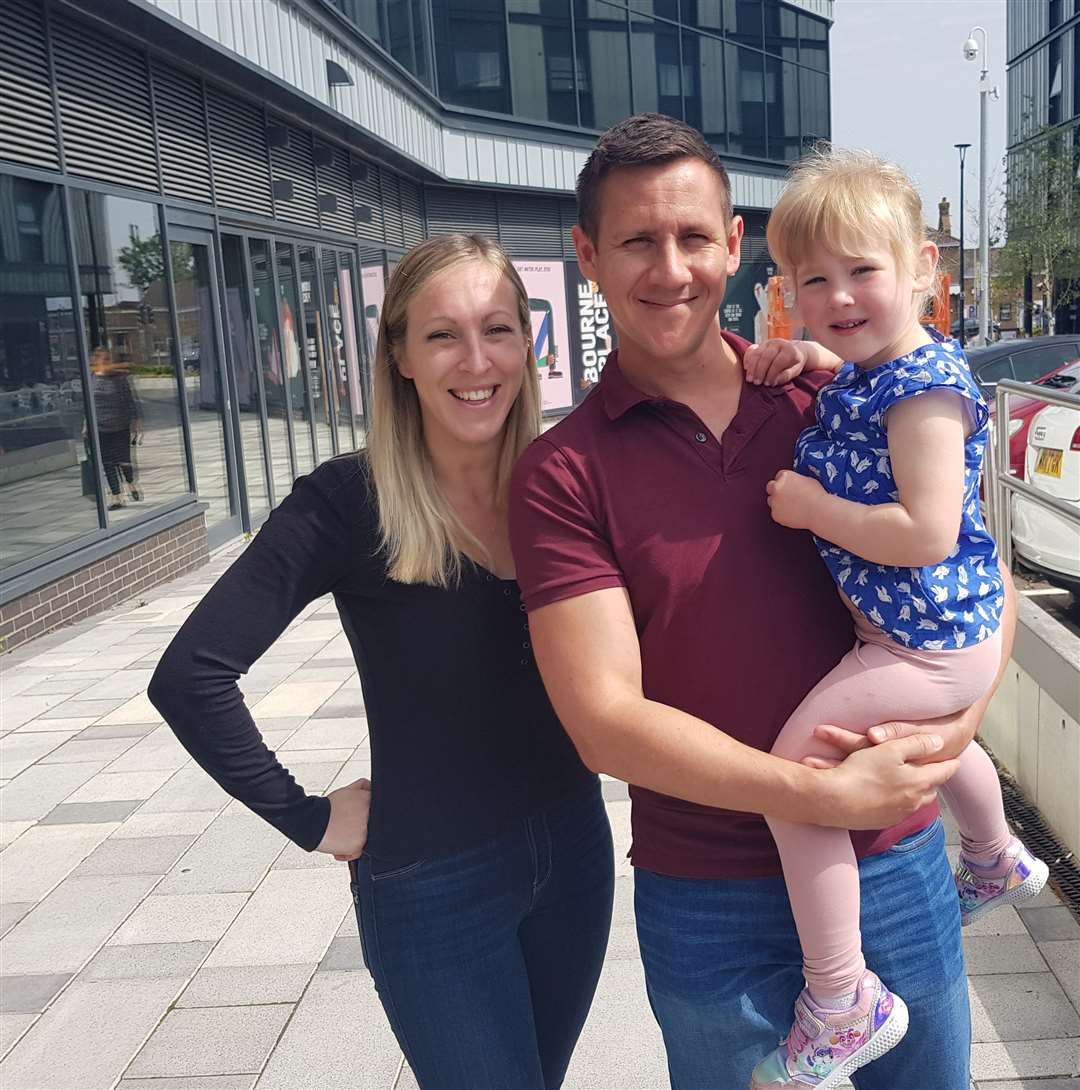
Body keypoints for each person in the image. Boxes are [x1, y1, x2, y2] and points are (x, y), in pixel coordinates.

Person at [509, 114, 1017, 1089]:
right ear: (587, 255)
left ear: (735, 246)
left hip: (895, 862)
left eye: (695, 237)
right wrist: (816, 792)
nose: (671, 269)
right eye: (636, 241)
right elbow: (605, 724)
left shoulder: (832, 401)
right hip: (708, 899)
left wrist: (960, 728)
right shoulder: (562, 473)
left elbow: (974, 570)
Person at [149, 234, 614, 1090]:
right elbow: (190, 675)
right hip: (435, 885)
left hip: (576, 854)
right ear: (398, 354)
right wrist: (307, 817)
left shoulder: (564, 483)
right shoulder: (347, 501)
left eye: (497, 329)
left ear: (529, 344)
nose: (475, 360)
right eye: (441, 335)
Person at [741, 147, 1048, 1089]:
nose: (838, 295)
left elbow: (921, 529)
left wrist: (811, 510)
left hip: (924, 638)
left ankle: (841, 997)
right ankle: (994, 857)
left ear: (924, 269)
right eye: (811, 281)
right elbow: (851, 365)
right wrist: (809, 357)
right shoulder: (877, 370)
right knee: (930, 743)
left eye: (864, 270)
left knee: (794, 779)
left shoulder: (924, 389)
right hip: (929, 634)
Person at [89, 347, 142, 509]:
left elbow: (129, 401)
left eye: (108, 359)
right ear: (96, 361)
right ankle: (116, 497)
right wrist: (87, 425)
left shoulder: (119, 379)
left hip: (120, 425)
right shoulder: (91, 379)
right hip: (100, 427)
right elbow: (88, 404)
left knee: (124, 461)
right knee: (108, 463)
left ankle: (131, 483)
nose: (107, 363)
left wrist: (136, 422)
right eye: (103, 359)